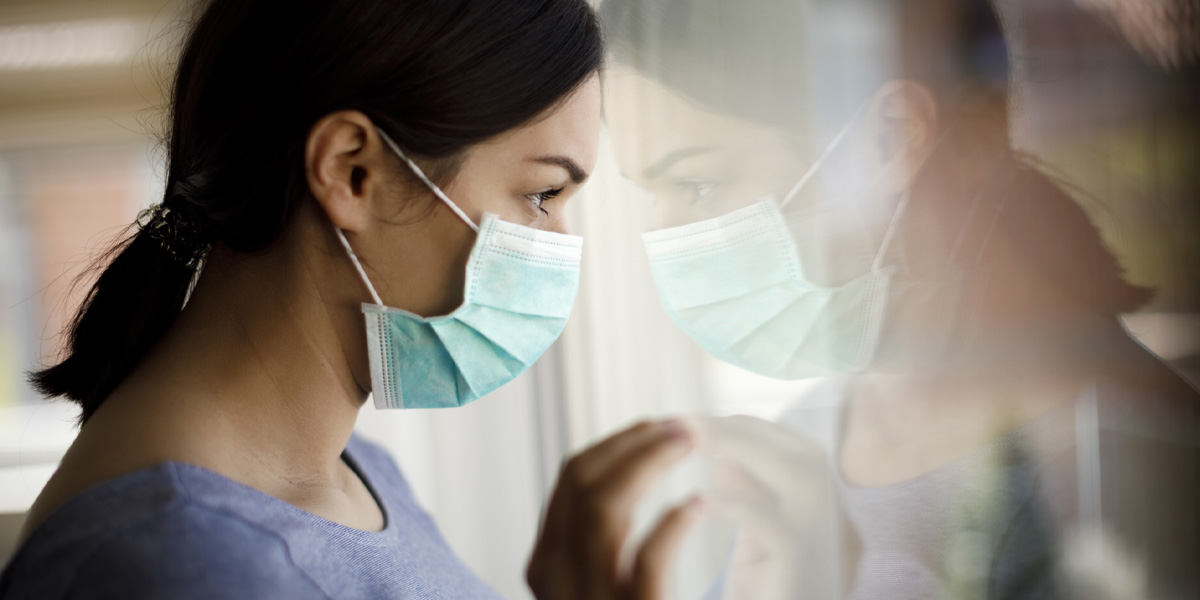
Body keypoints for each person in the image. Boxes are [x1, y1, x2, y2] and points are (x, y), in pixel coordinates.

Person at [0, 1, 704, 598]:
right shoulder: (186, 561)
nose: (558, 244)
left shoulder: (355, 472)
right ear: (352, 172)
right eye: (542, 193)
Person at [601, 0, 1200, 597]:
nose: (667, 241)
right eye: (648, 195)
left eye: (696, 184)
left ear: (892, 138)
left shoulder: (1136, 463)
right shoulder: (800, 447)